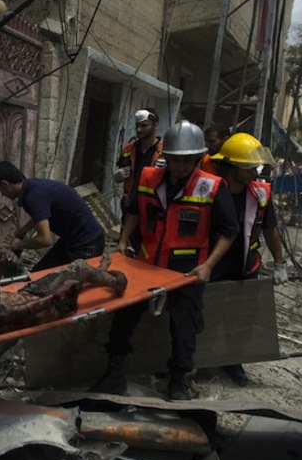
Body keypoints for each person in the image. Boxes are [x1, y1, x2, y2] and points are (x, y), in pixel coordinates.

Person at [91, 120, 238, 400]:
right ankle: (114, 371)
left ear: (197, 158)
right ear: (165, 157)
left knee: (185, 326)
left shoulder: (212, 187)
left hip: (187, 272)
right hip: (146, 265)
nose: (180, 167)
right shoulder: (147, 179)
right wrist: (123, 242)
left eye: (187, 161)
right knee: (123, 316)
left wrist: (208, 265)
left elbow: (229, 232)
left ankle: (178, 381)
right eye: (174, 160)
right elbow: (133, 211)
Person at [209, 132, 289, 386]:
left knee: (241, 318)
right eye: (248, 166)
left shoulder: (259, 193)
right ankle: (197, 360)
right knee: (205, 315)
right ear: (231, 166)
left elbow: (270, 229)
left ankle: (233, 362)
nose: (255, 171)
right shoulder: (208, 189)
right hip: (211, 264)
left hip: (245, 264)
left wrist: (279, 262)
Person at [0, 160, 105, 271]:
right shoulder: (32, 187)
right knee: (37, 274)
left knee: (74, 286)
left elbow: (45, 240)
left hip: (88, 242)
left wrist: (19, 244)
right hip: (70, 240)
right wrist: (23, 230)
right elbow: (41, 216)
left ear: (5, 184)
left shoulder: (33, 197)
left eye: (0, 190)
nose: (2, 194)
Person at [115, 107, 163, 213]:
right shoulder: (128, 149)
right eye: (137, 125)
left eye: (144, 125)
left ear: (154, 125)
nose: (139, 129)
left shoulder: (164, 152)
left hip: (152, 205)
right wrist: (118, 176)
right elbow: (122, 171)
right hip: (129, 203)